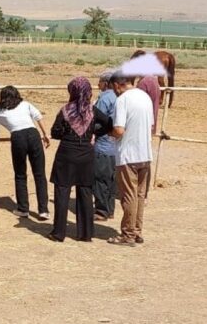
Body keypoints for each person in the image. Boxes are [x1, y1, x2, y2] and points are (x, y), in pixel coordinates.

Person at [47, 77, 111, 243]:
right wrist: (94, 132)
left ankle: (58, 233)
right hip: (86, 156)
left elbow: (54, 132)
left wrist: (66, 135)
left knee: (62, 192)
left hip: (66, 155)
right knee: (85, 192)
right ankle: (85, 233)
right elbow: (109, 124)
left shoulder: (65, 111)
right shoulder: (92, 111)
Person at [107, 73, 155, 246]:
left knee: (128, 195)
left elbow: (119, 130)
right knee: (140, 195)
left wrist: (108, 133)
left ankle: (127, 234)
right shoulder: (145, 97)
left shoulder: (123, 100)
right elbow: (151, 126)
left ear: (117, 85)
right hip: (145, 154)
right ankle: (137, 231)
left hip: (129, 155)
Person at [0, 85, 50, 220]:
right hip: (33, 134)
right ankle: (43, 210)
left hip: (18, 136)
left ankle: (23, 208)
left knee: (20, 174)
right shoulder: (25, 104)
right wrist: (45, 134)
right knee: (39, 173)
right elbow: (38, 117)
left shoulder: (0, 112)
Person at [92, 70, 119, 221]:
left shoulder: (104, 98)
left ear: (106, 83)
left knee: (100, 178)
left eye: (100, 82)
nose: (98, 85)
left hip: (103, 145)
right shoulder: (119, 97)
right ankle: (110, 209)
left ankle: (101, 211)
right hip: (115, 146)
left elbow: (98, 120)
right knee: (111, 179)